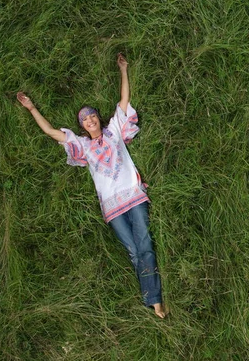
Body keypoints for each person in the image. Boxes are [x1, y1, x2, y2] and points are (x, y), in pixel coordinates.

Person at [17, 53, 166, 318]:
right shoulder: (82, 146)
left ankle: (154, 300)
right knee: (133, 252)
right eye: (85, 119)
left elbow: (124, 101)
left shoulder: (114, 131)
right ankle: (152, 297)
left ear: (98, 117)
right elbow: (52, 132)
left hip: (133, 196)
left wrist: (123, 70)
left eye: (92, 115)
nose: (90, 120)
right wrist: (31, 109)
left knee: (144, 244)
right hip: (112, 208)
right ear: (82, 126)